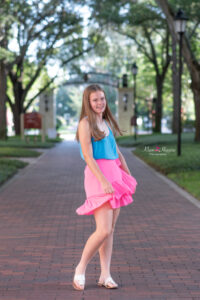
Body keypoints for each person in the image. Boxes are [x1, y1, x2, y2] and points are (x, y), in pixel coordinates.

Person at [73, 84, 137, 291]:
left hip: (115, 177)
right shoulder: (85, 124)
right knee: (103, 229)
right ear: (88, 102)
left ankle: (105, 275)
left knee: (110, 231)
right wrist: (103, 181)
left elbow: (118, 154)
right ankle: (80, 268)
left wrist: (128, 176)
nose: (100, 103)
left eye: (102, 99)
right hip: (98, 178)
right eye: (95, 100)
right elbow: (89, 156)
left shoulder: (106, 123)